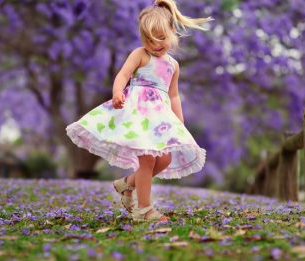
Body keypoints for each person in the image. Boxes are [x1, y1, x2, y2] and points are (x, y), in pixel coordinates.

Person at [66, 0, 210, 222]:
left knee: (164, 160)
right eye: (149, 39)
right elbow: (123, 75)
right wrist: (117, 92)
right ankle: (144, 210)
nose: (155, 44)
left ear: (172, 31)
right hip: (139, 117)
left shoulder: (173, 65)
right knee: (147, 161)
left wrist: (179, 123)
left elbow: (173, 95)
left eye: (160, 38)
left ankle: (126, 184)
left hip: (159, 119)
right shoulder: (141, 54)